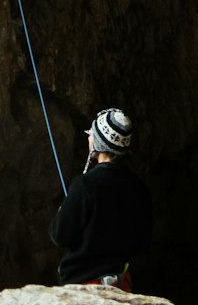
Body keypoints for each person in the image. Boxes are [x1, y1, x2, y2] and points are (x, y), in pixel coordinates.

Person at [49, 107, 153, 290]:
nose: (89, 138)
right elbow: (142, 244)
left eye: (91, 135)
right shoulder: (139, 189)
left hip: (83, 285)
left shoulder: (85, 185)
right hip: (120, 283)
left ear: (98, 143)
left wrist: (63, 212)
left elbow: (59, 235)